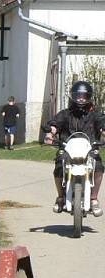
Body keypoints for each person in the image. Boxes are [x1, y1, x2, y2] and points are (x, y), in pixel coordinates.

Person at [43, 80, 105, 217]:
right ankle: (60, 197)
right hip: (67, 148)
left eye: (84, 96)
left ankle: (94, 199)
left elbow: (102, 124)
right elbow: (55, 124)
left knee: (99, 166)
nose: (81, 98)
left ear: (89, 97)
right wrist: (50, 133)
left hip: (90, 149)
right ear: (73, 96)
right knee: (59, 164)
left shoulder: (95, 114)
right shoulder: (66, 114)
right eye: (78, 95)